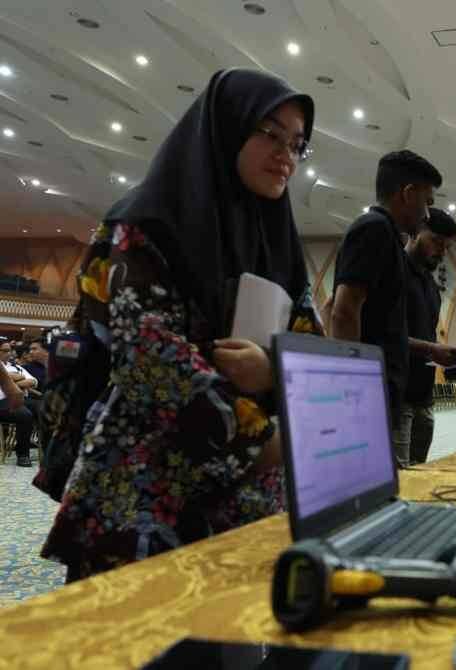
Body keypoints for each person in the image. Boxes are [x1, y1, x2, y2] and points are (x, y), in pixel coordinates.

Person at [39, 69, 323, 580]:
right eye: (270, 133)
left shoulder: (276, 241)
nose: (286, 154)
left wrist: (274, 368)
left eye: (298, 144)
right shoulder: (144, 225)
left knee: (232, 646)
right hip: (146, 493)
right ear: (227, 127)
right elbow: (151, 364)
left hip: (247, 499)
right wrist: (264, 441)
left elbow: (312, 343)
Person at [324, 150, 456, 423]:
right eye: (426, 201)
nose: (425, 214)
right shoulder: (374, 229)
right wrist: (353, 389)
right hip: (370, 393)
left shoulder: (388, 236)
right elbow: (342, 311)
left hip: (387, 391)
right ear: (408, 193)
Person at [393, 207, 456, 465]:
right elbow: (384, 335)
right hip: (396, 395)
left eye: (447, 247)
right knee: (399, 478)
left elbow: (427, 335)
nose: (442, 251)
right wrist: (433, 349)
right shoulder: (394, 272)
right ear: (416, 232)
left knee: (421, 471)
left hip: (423, 395)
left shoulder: (431, 286)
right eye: (436, 241)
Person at [0, 345, 34, 467]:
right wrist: (17, 377)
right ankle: (23, 455)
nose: (9, 353)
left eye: (9, 351)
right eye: (5, 351)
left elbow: (33, 381)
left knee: (45, 408)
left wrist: (15, 381)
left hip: (21, 397)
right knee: (25, 415)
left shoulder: (15, 366)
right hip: (3, 400)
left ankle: (49, 450)